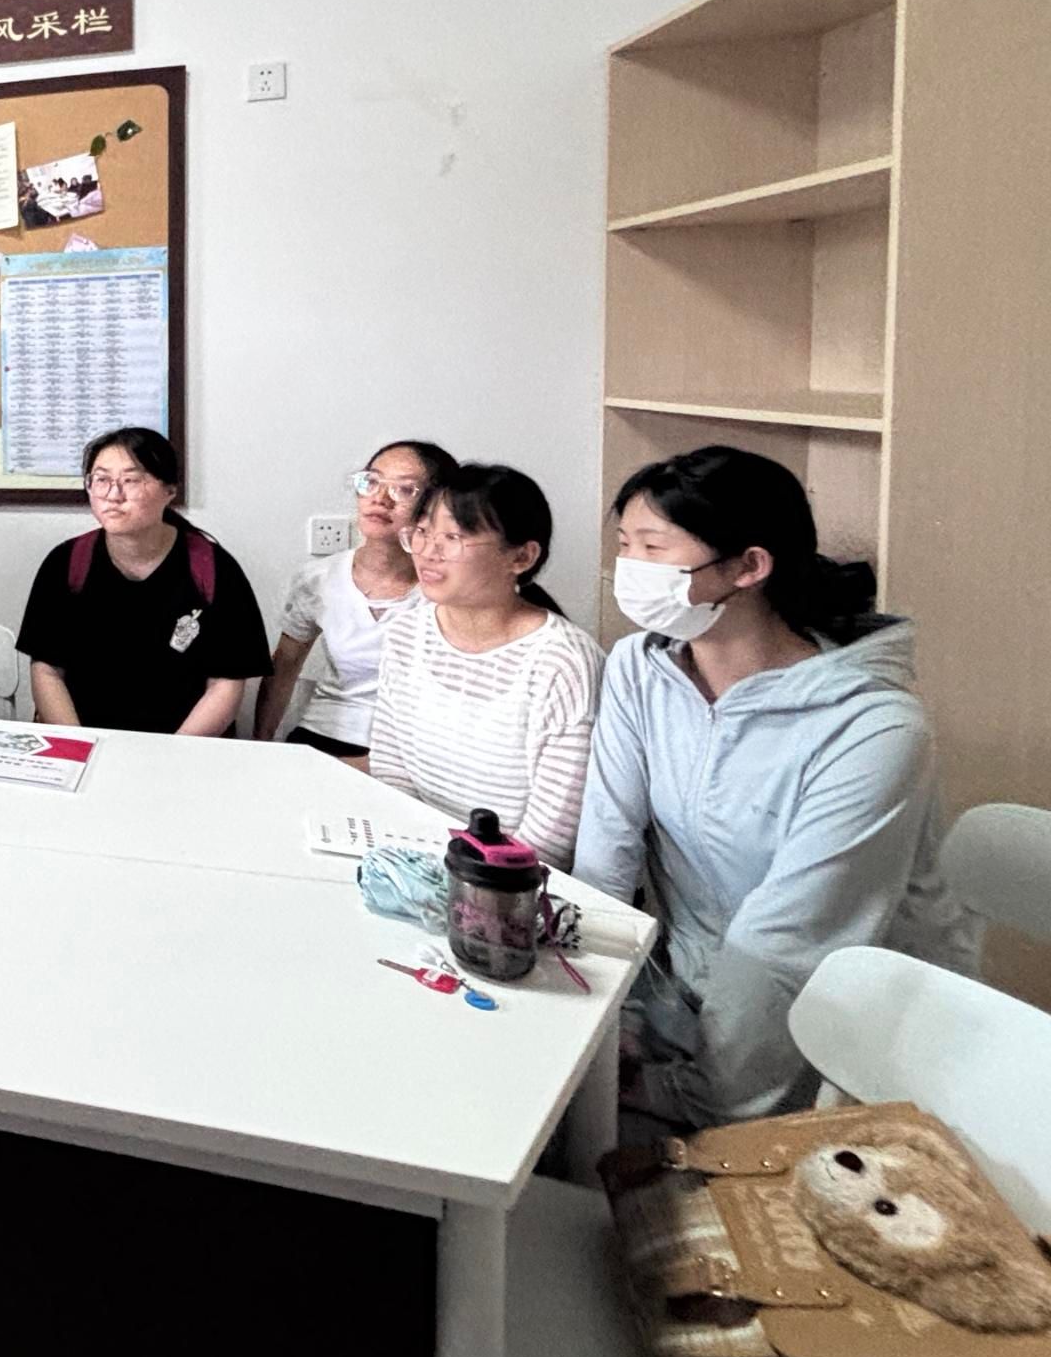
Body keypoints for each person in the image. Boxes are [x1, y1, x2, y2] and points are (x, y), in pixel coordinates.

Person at [574, 445, 978, 1127]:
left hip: (838, 1044)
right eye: (625, 545)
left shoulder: (873, 729)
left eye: (654, 547)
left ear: (749, 567)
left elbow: (784, 944)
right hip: (691, 1005)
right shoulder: (638, 670)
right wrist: (599, 1012)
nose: (632, 568)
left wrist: (690, 1094)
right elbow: (606, 850)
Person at [367, 463, 603, 868]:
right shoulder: (406, 632)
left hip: (512, 885)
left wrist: (467, 884)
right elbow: (392, 774)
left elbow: (551, 838)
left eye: (453, 537)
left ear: (522, 557)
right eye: (422, 532)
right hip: (418, 862)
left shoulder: (562, 661)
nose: (428, 552)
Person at [18, 426, 269, 737]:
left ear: (170, 490)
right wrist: (78, 743)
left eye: (131, 480)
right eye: (101, 480)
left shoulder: (213, 568)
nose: (113, 495)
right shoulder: (66, 563)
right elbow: (47, 670)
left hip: (186, 746)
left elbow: (226, 683)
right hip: (86, 740)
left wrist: (171, 752)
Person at [253, 439, 458, 760]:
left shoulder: (452, 587)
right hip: (326, 733)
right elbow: (285, 665)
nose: (380, 498)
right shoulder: (318, 579)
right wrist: (262, 745)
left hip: (415, 748)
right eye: (371, 482)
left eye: (404, 489)